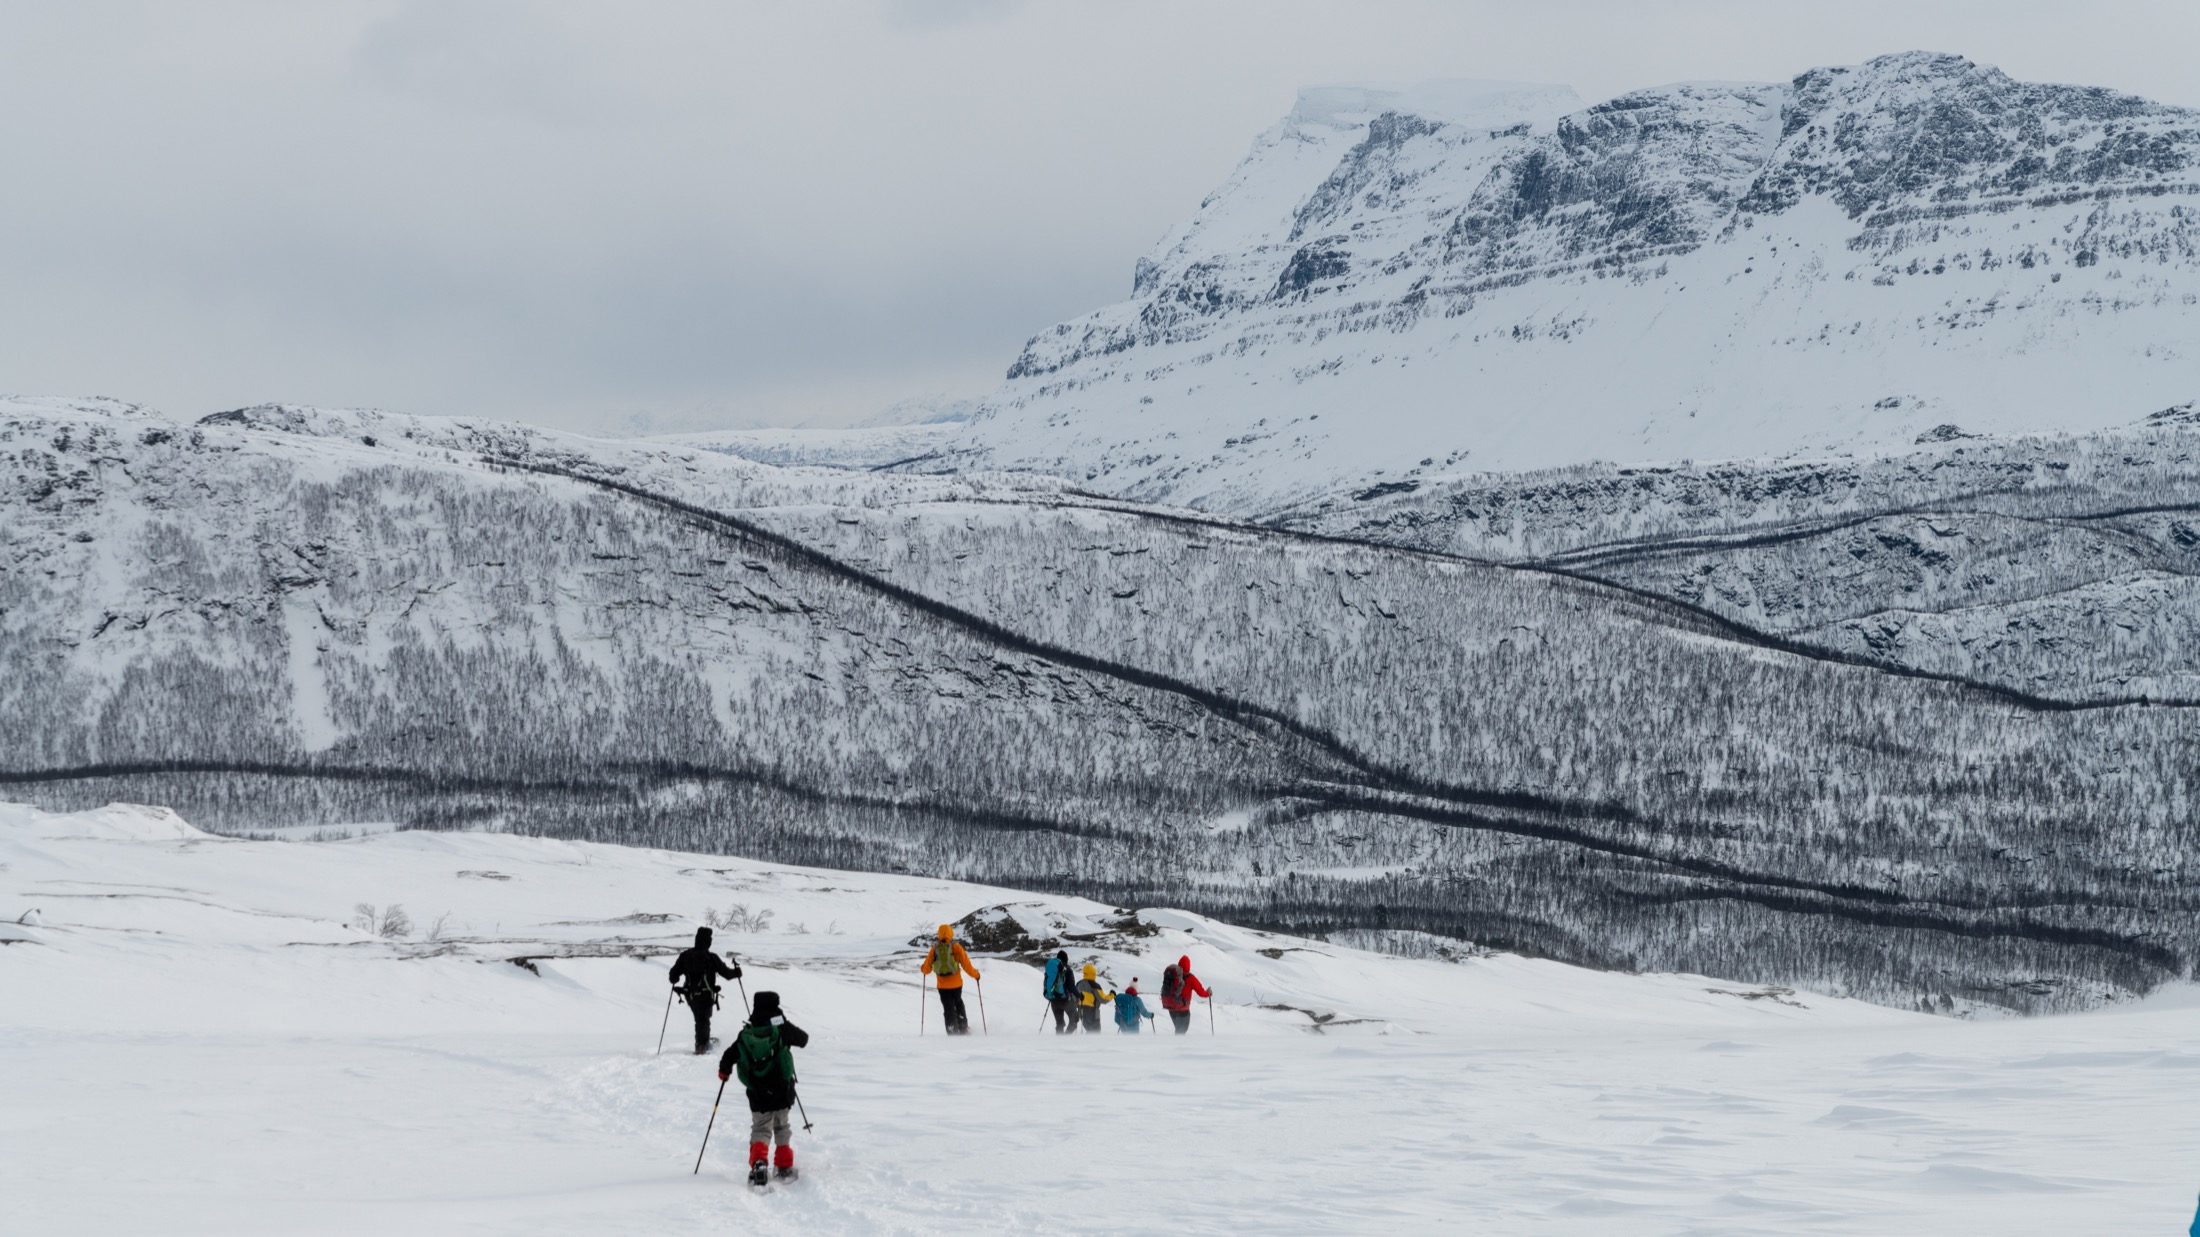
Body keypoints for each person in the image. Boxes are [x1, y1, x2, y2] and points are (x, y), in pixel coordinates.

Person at [718, 990, 809, 1185]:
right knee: (782, 1126)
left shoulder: (747, 1034)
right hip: (782, 1090)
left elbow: (729, 1056)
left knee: (761, 1128)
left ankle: (759, 1163)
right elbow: (803, 1039)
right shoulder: (781, 1028)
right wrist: (783, 1024)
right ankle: (784, 1166)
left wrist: (724, 1072)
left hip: (757, 1092)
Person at [668, 926, 743, 1054]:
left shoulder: (685, 955)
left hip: (689, 995)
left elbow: (673, 976)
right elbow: (727, 974)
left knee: (699, 1019)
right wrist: (737, 972)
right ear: (708, 942)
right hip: (706, 995)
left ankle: (702, 1042)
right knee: (703, 1019)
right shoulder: (711, 957)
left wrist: (675, 979)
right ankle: (702, 1047)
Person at [920, 924, 980, 1034]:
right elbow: (966, 965)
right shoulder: (956, 947)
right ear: (950, 933)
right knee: (958, 1004)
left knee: (948, 1008)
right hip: (956, 984)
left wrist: (922, 969)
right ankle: (963, 1029)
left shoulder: (935, 949)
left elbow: (927, 969)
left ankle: (952, 1031)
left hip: (942, 986)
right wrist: (976, 975)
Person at [1160, 954, 1211, 1035]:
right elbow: (1201, 992)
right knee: (1181, 1033)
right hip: (1183, 1010)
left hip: (1171, 1008)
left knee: (1178, 1031)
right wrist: (1208, 993)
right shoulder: (1191, 978)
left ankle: (1175, 1046)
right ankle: (1177, 1047)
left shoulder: (1174, 975)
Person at [1042, 949, 1075, 1033]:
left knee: (1059, 1023)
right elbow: (1071, 986)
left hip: (1053, 1000)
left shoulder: (1053, 969)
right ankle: (1066, 1038)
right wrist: (1079, 995)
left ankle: (1059, 1041)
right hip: (1065, 1000)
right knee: (1074, 1019)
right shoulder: (1067, 969)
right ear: (1066, 959)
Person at [1073, 963, 1112, 1033]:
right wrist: (1112, 995)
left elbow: (1074, 998)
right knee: (1095, 1033)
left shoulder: (1079, 984)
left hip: (1081, 1011)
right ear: (1093, 973)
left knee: (1089, 1031)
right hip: (1092, 1012)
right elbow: (1103, 1000)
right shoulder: (1095, 985)